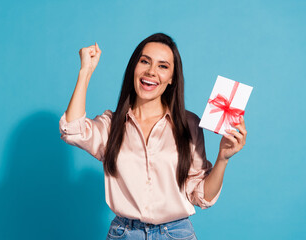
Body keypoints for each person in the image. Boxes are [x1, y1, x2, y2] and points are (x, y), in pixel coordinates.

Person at [59, 33, 247, 240]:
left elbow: (202, 196)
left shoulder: (189, 124)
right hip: (125, 234)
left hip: (176, 234)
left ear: (172, 78)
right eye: (145, 61)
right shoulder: (111, 125)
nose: (151, 71)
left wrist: (223, 158)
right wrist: (85, 72)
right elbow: (72, 129)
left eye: (163, 66)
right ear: (134, 68)